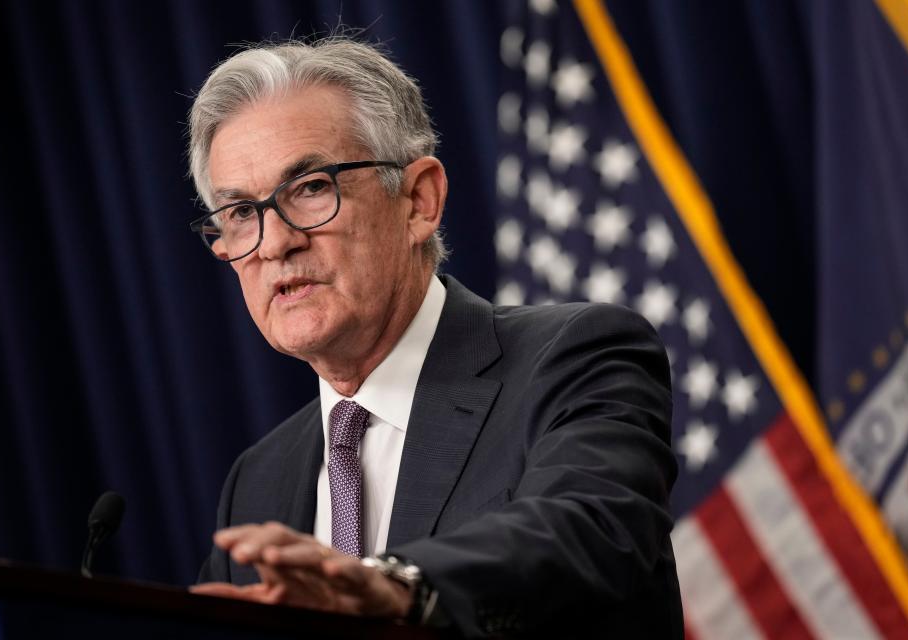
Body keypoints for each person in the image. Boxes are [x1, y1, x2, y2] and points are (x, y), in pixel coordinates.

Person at [186, 37, 682, 637]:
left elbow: (592, 526)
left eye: (312, 187)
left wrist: (397, 587)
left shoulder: (575, 356)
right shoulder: (257, 480)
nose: (274, 243)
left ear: (419, 201)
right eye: (241, 213)